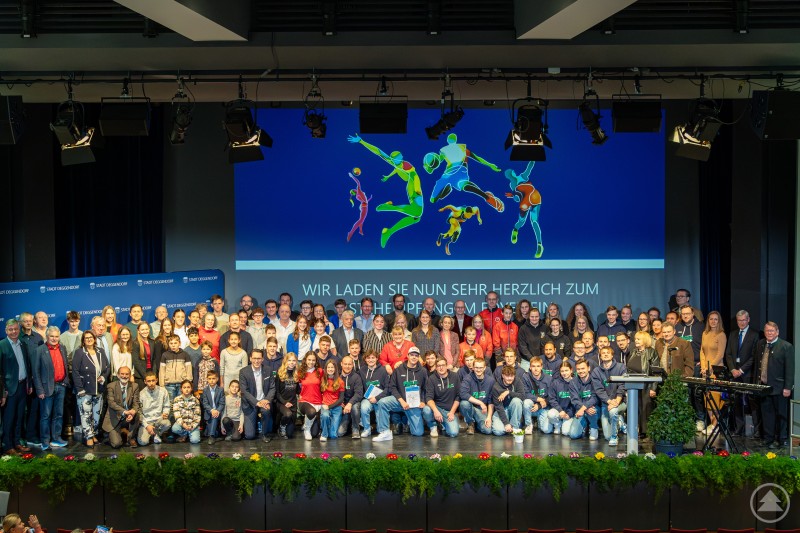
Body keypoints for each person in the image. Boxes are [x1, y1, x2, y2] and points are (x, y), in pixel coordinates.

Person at [348, 134, 425, 248]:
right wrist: (361, 141)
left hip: (413, 185)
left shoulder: (403, 164)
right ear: (396, 159)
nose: (402, 157)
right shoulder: (394, 162)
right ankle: (390, 207)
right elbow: (378, 151)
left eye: (401, 156)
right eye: (399, 157)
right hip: (412, 187)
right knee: (418, 212)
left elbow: (413, 175)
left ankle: (388, 232)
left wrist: (417, 187)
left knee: (416, 218)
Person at [373, 347, 428, 441]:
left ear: (418, 357)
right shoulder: (399, 369)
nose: (414, 357)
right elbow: (392, 387)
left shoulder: (423, 371)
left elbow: (425, 388)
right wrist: (401, 401)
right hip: (400, 401)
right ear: (407, 356)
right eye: (412, 355)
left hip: (415, 404)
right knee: (382, 402)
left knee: (418, 433)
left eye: (416, 355)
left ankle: (410, 422)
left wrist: (423, 401)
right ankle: (385, 432)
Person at [756, 321, 794, 449]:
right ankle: (768, 438)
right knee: (767, 414)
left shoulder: (786, 346)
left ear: (777, 332)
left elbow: (790, 369)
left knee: (781, 414)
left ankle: (782, 438)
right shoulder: (761, 344)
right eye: (767, 331)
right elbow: (758, 365)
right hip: (764, 387)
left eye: (772, 331)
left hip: (780, 388)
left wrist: (788, 387)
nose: (769, 333)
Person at [31, 326, 70, 450]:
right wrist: (39, 390)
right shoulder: (40, 350)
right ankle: (45, 441)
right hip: (46, 388)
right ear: (47, 337)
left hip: (61, 386)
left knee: (58, 414)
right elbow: (35, 372)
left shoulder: (62, 348)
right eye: (51, 336)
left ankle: (56, 439)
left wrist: (65, 381)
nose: (54, 338)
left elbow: (65, 366)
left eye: (56, 336)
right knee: (45, 416)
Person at [724, 309, 761, 436]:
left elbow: (754, 356)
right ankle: (739, 429)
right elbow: (728, 354)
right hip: (734, 373)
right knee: (736, 402)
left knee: (752, 402)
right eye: (739, 320)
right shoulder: (733, 334)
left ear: (748, 319)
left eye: (744, 320)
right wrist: (733, 369)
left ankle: (757, 431)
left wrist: (741, 370)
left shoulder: (755, 334)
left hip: (748, 374)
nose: (742, 323)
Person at [699, 310, 727, 435]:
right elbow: (702, 352)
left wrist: (710, 368)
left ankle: (715, 425)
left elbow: (720, 355)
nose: (713, 321)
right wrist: (704, 367)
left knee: (715, 399)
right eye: (711, 319)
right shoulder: (705, 333)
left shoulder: (721, 335)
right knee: (707, 398)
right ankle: (712, 424)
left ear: (719, 321)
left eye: (716, 319)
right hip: (706, 370)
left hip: (716, 370)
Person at [591, 347, 627, 446]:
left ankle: (614, 437)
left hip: (620, 402)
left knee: (613, 411)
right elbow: (599, 390)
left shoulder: (621, 367)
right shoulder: (596, 371)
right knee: (607, 436)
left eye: (608, 353)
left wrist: (616, 401)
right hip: (605, 404)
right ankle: (620, 422)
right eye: (603, 353)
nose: (606, 354)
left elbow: (622, 385)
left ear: (612, 355)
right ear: (600, 356)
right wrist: (609, 401)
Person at [627, 331, 659, 436]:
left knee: (646, 410)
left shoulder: (651, 352)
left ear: (645, 340)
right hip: (634, 385)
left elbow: (655, 371)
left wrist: (653, 387)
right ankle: (638, 430)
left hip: (647, 385)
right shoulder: (633, 352)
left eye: (638, 339)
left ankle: (647, 432)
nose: (636, 341)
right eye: (635, 339)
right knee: (637, 409)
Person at [239, 349, 275, 442]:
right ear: (250, 358)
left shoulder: (268, 370)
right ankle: (254, 427)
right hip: (250, 404)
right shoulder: (243, 372)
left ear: (262, 359)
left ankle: (264, 434)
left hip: (264, 401)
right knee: (249, 436)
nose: (256, 361)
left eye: (259, 358)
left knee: (266, 411)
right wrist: (257, 402)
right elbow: (244, 391)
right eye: (254, 358)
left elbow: (272, 388)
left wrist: (266, 400)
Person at [102, 366, 140, 449]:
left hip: (128, 417)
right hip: (114, 418)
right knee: (116, 444)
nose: (124, 376)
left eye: (127, 374)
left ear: (130, 375)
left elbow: (136, 403)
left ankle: (131, 438)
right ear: (118, 375)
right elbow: (111, 403)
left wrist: (133, 412)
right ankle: (114, 434)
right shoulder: (111, 386)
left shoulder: (135, 386)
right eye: (122, 374)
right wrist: (125, 412)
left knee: (137, 415)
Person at [423, 356, 461, 438]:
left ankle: (442, 423)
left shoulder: (455, 376)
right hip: (437, 408)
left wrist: (452, 412)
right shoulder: (432, 379)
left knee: (453, 433)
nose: (441, 368)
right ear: (436, 368)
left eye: (443, 365)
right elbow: (429, 398)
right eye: (439, 366)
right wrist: (436, 411)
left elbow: (458, 396)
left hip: (449, 411)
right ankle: (433, 426)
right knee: (426, 409)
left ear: (447, 366)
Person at [459, 356, 494, 435]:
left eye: (481, 367)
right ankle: (470, 423)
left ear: (485, 368)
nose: (478, 370)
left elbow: (491, 400)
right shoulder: (467, 378)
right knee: (464, 403)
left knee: (488, 431)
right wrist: (480, 403)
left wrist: (489, 417)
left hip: (482, 411)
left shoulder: (490, 380)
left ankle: (477, 424)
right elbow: (463, 394)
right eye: (476, 367)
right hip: (470, 407)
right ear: (473, 368)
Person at [358, 349, 390, 438]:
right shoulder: (362, 370)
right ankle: (367, 429)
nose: (370, 360)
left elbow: (388, 388)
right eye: (368, 358)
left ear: (377, 359)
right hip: (368, 398)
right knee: (364, 407)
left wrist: (377, 398)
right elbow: (360, 386)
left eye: (373, 358)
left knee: (380, 405)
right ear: (365, 359)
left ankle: (382, 430)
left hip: (380, 398)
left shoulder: (383, 370)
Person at [136, 371, 171, 445]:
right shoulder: (141, 394)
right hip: (147, 421)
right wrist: (147, 425)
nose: (151, 383)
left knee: (167, 423)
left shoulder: (163, 391)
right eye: (149, 381)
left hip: (159, 420)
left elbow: (167, 405)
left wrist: (165, 413)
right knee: (143, 442)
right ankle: (153, 434)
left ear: (156, 380)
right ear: (145, 381)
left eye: (153, 380)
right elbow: (139, 413)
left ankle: (155, 433)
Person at [491, 364, 527, 436]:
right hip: (502, 410)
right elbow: (499, 407)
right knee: (498, 431)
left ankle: (515, 428)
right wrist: (506, 423)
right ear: (503, 375)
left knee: (516, 401)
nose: (510, 378)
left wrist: (508, 392)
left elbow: (523, 396)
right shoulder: (496, 387)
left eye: (512, 376)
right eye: (507, 376)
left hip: (513, 410)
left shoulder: (517, 381)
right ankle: (509, 425)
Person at [569, 359, 599, 440]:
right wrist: (584, 409)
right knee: (573, 435)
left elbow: (595, 397)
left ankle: (594, 428)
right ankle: (585, 426)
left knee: (592, 410)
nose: (581, 371)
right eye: (578, 369)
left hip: (594, 408)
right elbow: (574, 400)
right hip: (580, 410)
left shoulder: (595, 379)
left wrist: (584, 408)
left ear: (588, 368)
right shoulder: (573, 382)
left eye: (583, 368)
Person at [523, 356, 553, 434]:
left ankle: (539, 422)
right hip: (531, 407)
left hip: (543, 407)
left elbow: (551, 396)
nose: (536, 369)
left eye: (538, 366)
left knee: (547, 430)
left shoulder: (549, 379)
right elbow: (525, 394)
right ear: (530, 367)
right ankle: (529, 425)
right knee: (526, 402)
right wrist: (539, 399)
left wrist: (539, 405)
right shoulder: (525, 377)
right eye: (533, 366)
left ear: (542, 367)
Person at [298, 351, 323, 441]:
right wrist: (298, 395)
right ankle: (307, 429)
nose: (311, 362)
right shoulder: (300, 372)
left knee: (315, 433)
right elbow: (296, 387)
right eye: (309, 359)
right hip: (305, 401)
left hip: (318, 402)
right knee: (311, 412)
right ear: (305, 360)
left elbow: (323, 386)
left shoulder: (320, 372)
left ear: (316, 361)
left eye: (313, 360)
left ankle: (306, 424)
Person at [319, 359, 345, 442]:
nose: (330, 369)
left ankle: (327, 425)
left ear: (335, 369)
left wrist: (329, 406)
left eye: (332, 367)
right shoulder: (322, 380)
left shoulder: (340, 381)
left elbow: (341, 399)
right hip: (324, 405)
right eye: (328, 367)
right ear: (326, 369)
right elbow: (318, 393)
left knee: (333, 435)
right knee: (325, 416)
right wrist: (322, 404)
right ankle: (324, 434)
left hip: (336, 407)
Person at [159, 335, 193, 400]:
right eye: (171, 343)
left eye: (175, 343)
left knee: (181, 402)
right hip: (169, 384)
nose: (173, 345)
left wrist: (188, 382)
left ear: (179, 343)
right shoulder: (165, 355)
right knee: (170, 403)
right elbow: (162, 371)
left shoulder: (185, 354)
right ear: (168, 344)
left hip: (182, 384)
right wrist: (162, 384)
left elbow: (189, 370)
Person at [171, 379, 201, 443]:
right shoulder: (177, 399)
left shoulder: (195, 400)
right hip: (182, 424)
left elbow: (197, 416)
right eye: (184, 387)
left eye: (188, 387)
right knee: (175, 429)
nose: (186, 389)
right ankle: (185, 434)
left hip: (192, 424)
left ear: (191, 389)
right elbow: (177, 415)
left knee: (195, 441)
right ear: (181, 389)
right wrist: (183, 424)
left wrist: (192, 426)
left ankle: (189, 433)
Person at [201, 370, 225, 444]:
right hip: (209, 412)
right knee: (208, 431)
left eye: (213, 378)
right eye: (210, 378)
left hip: (218, 412)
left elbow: (222, 403)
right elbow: (205, 403)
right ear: (207, 379)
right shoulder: (205, 390)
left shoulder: (220, 390)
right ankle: (214, 434)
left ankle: (211, 436)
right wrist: (211, 410)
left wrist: (217, 410)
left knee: (214, 417)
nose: (211, 380)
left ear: (217, 379)